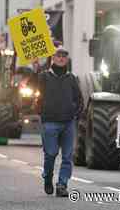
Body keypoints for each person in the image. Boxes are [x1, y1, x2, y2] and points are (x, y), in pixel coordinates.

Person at [37, 47, 83, 197]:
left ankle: (62, 184)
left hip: (68, 123)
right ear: (53, 58)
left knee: (67, 156)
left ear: (67, 59)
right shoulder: (44, 77)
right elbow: (34, 91)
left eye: (64, 56)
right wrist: (42, 112)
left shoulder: (72, 79)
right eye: (58, 56)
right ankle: (48, 176)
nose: (61, 58)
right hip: (50, 122)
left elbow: (79, 99)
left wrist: (75, 114)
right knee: (50, 153)